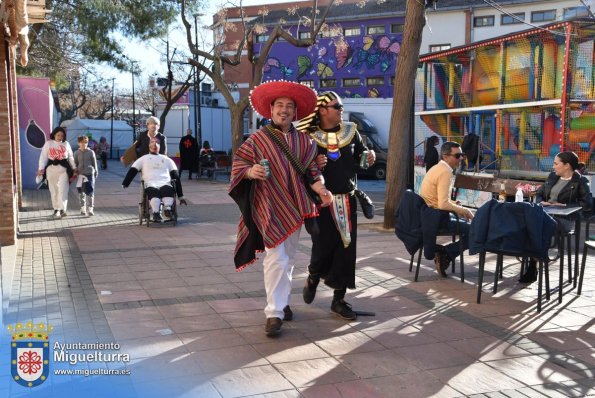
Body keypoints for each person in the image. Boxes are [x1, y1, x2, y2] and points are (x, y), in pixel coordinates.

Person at [228, 80, 333, 337]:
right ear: (271, 109)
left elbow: (313, 171)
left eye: (289, 106)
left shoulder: (305, 142)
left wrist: (321, 189)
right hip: (267, 205)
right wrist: (251, 171)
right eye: (279, 105)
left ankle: (282, 301)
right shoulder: (257, 140)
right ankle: (274, 313)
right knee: (276, 257)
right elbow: (238, 166)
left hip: (295, 207)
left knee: (289, 258)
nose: (284, 110)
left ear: (295, 112)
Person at [295, 91, 376, 320]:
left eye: (340, 106)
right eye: (337, 106)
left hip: (347, 200)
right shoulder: (308, 136)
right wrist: (313, 163)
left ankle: (338, 300)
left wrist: (368, 157)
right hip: (321, 202)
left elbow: (361, 162)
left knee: (346, 249)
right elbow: (298, 169)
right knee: (322, 247)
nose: (341, 109)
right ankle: (313, 276)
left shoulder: (351, 131)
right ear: (322, 110)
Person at [519, 151, 593, 283]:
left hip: (565, 219)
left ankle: (532, 264)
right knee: (526, 223)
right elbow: (540, 194)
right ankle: (533, 259)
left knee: (536, 226)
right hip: (545, 214)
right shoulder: (553, 176)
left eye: (556, 163)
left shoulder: (581, 181)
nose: (553, 167)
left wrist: (563, 205)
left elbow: (587, 204)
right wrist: (541, 202)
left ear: (567, 166)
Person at [419, 141, 474, 276]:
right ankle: (446, 253)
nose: (461, 158)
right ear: (445, 156)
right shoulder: (445, 172)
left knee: (471, 227)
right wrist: (464, 210)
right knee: (475, 230)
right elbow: (443, 204)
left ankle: (445, 253)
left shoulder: (437, 168)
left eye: (462, 155)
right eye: (457, 156)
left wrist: (455, 205)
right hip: (437, 220)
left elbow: (440, 199)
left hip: (429, 217)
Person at [122, 140, 187, 221]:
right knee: (153, 193)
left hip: (165, 183)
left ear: (160, 147)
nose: (154, 146)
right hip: (150, 183)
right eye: (152, 144)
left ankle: (168, 209)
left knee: (168, 190)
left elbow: (176, 177)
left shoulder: (167, 159)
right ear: (149, 146)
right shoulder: (143, 159)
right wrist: (126, 182)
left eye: (156, 144)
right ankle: (156, 212)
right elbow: (133, 170)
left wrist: (181, 196)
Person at [37, 126, 76, 218]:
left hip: (63, 170)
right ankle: (56, 210)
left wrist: (74, 168)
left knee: (63, 189)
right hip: (51, 170)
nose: (60, 137)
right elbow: (43, 157)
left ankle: (62, 209)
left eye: (62, 135)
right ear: (54, 135)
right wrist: (41, 169)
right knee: (54, 191)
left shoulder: (66, 144)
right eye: (58, 135)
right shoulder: (48, 143)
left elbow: (70, 157)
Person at [74, 136, 98, 216]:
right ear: (78, 143)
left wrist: (95, 172)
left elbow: (94, 163)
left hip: (89, 175)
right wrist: (75, 171)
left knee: (90, 192)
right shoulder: (76, 153)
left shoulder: (91, 152)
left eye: (86, 142)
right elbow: (75, 164)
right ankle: (82, 208)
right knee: (81, 192)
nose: (84, 144)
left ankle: (90, 209)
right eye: (82, 142)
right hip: (81, 175)